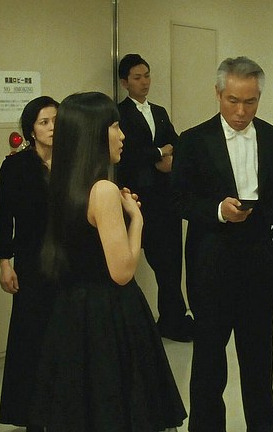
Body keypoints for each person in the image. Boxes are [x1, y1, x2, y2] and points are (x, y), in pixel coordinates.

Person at [29, 92, 186, 431]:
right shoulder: (103, 189)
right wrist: (137, 219)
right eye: (115, 126)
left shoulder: (63, 180)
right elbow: (122, 271)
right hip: (108, 314)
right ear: (95, 134)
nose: (122, 135)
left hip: (72, 312)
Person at [171, 56, 273, 432]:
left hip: (260, 263)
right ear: (218, 94)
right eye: (233, 101)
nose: (241, 112)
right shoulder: (194, 140)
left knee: (259, 359)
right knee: (209, 361)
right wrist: (217, 210)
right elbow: (177, 199)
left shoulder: (272, 138)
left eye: (250, 102)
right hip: (210, 263)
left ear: (259, 97)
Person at [0, 96, 59, 431]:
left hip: (67, 260)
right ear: (31, 129)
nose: (52, 128)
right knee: (30, 337)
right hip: (31, 260)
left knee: (64, 336)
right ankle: (31, 415)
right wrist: (5, 264)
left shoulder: (71, 162)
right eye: (44, 122)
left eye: (56, 121)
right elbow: (5, 220)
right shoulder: (15, 166)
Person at [116, 53, 193, 341]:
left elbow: (176, 141)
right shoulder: (119, 113)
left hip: (165, 196)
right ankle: (134, 326)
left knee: (171, 263)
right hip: (137, 198)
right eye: (137, 77)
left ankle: (173, 318)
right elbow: (128, 154)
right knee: (138, 262)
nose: (144, 82)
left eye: (147, 75)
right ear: (125, 83)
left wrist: (169, 158)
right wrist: (160, 152)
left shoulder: (158, 111)